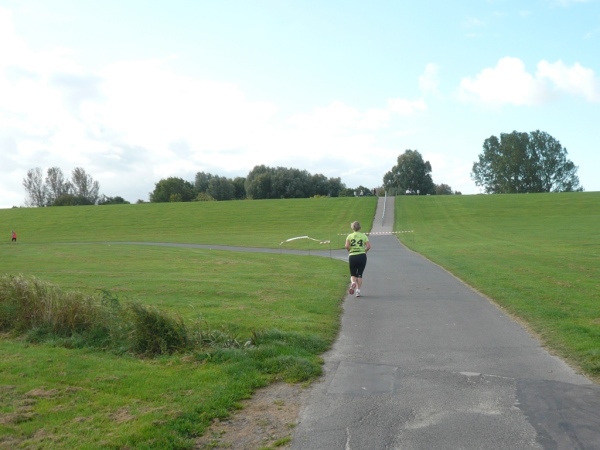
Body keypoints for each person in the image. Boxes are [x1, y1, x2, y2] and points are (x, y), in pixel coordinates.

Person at [345, 221, 371, 297]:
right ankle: (358, 291)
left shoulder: (349, 236)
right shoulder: (363, 236)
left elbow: (346, 246)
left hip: (353, 255)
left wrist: (349, 250)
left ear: (352, 228)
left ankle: (353, 282)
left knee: (353, 274)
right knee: (360, 274)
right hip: (362, 256)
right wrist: (365, 251)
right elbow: (369, 246)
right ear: (360, 228)